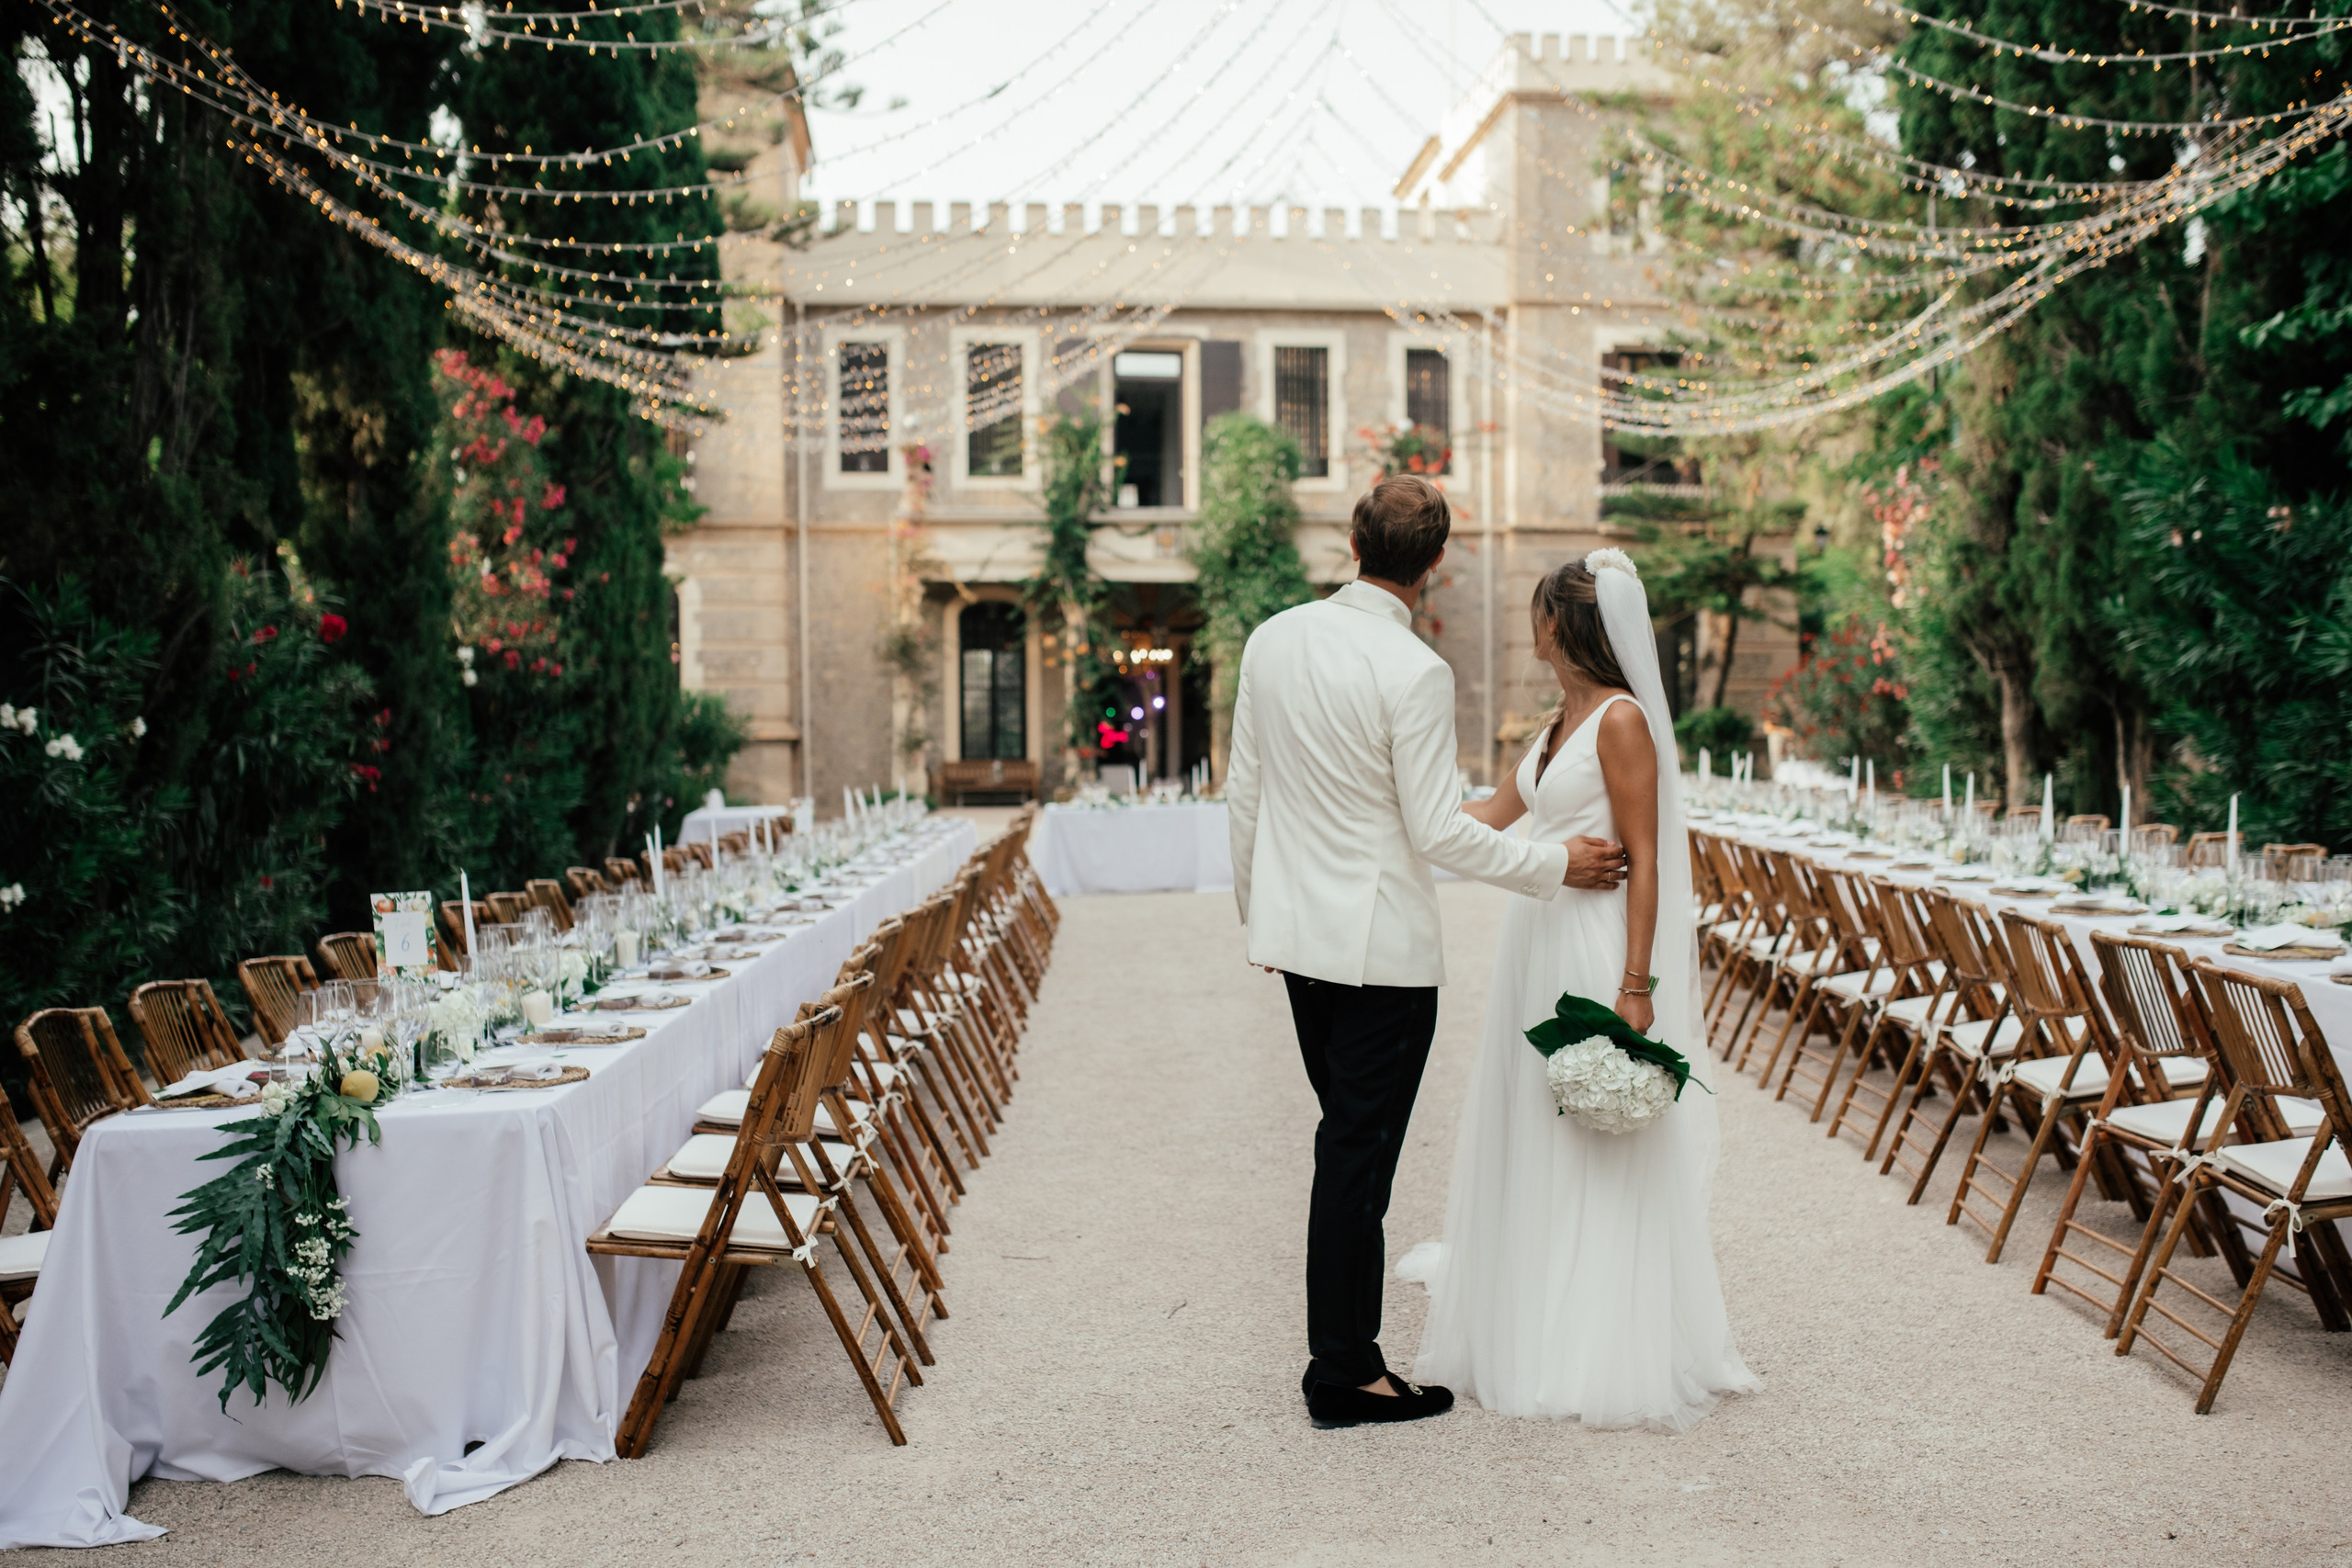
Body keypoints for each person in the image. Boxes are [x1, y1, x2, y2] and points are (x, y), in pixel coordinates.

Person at [1226, 474, 1632, 1430]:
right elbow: (1437, 832)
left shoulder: (1272, 638)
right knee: (1354, 1155)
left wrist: (1261, 917)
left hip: (1300, 946)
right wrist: (1552, 866)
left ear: (1353, 541)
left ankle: (1344, 1357)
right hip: (1383, 957)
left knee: (1344, 1146)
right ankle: (1346, 1370)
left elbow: (1244, 793)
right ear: (1436, 565)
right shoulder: (1413, 670)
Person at [1400, 551, 1758, 1430]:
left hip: (1594, 949)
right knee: (1532, 1123)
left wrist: (1636, 986)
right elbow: (1481, 822)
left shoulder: (1622, 721)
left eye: (1537, 612)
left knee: (1596, 1139)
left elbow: (1649, 864)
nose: (1532, 625)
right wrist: (1394, 812)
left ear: (1558, 625)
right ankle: (1528, 1313)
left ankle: (1592, 1341)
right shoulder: (1559, 722)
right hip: (1537, 939)